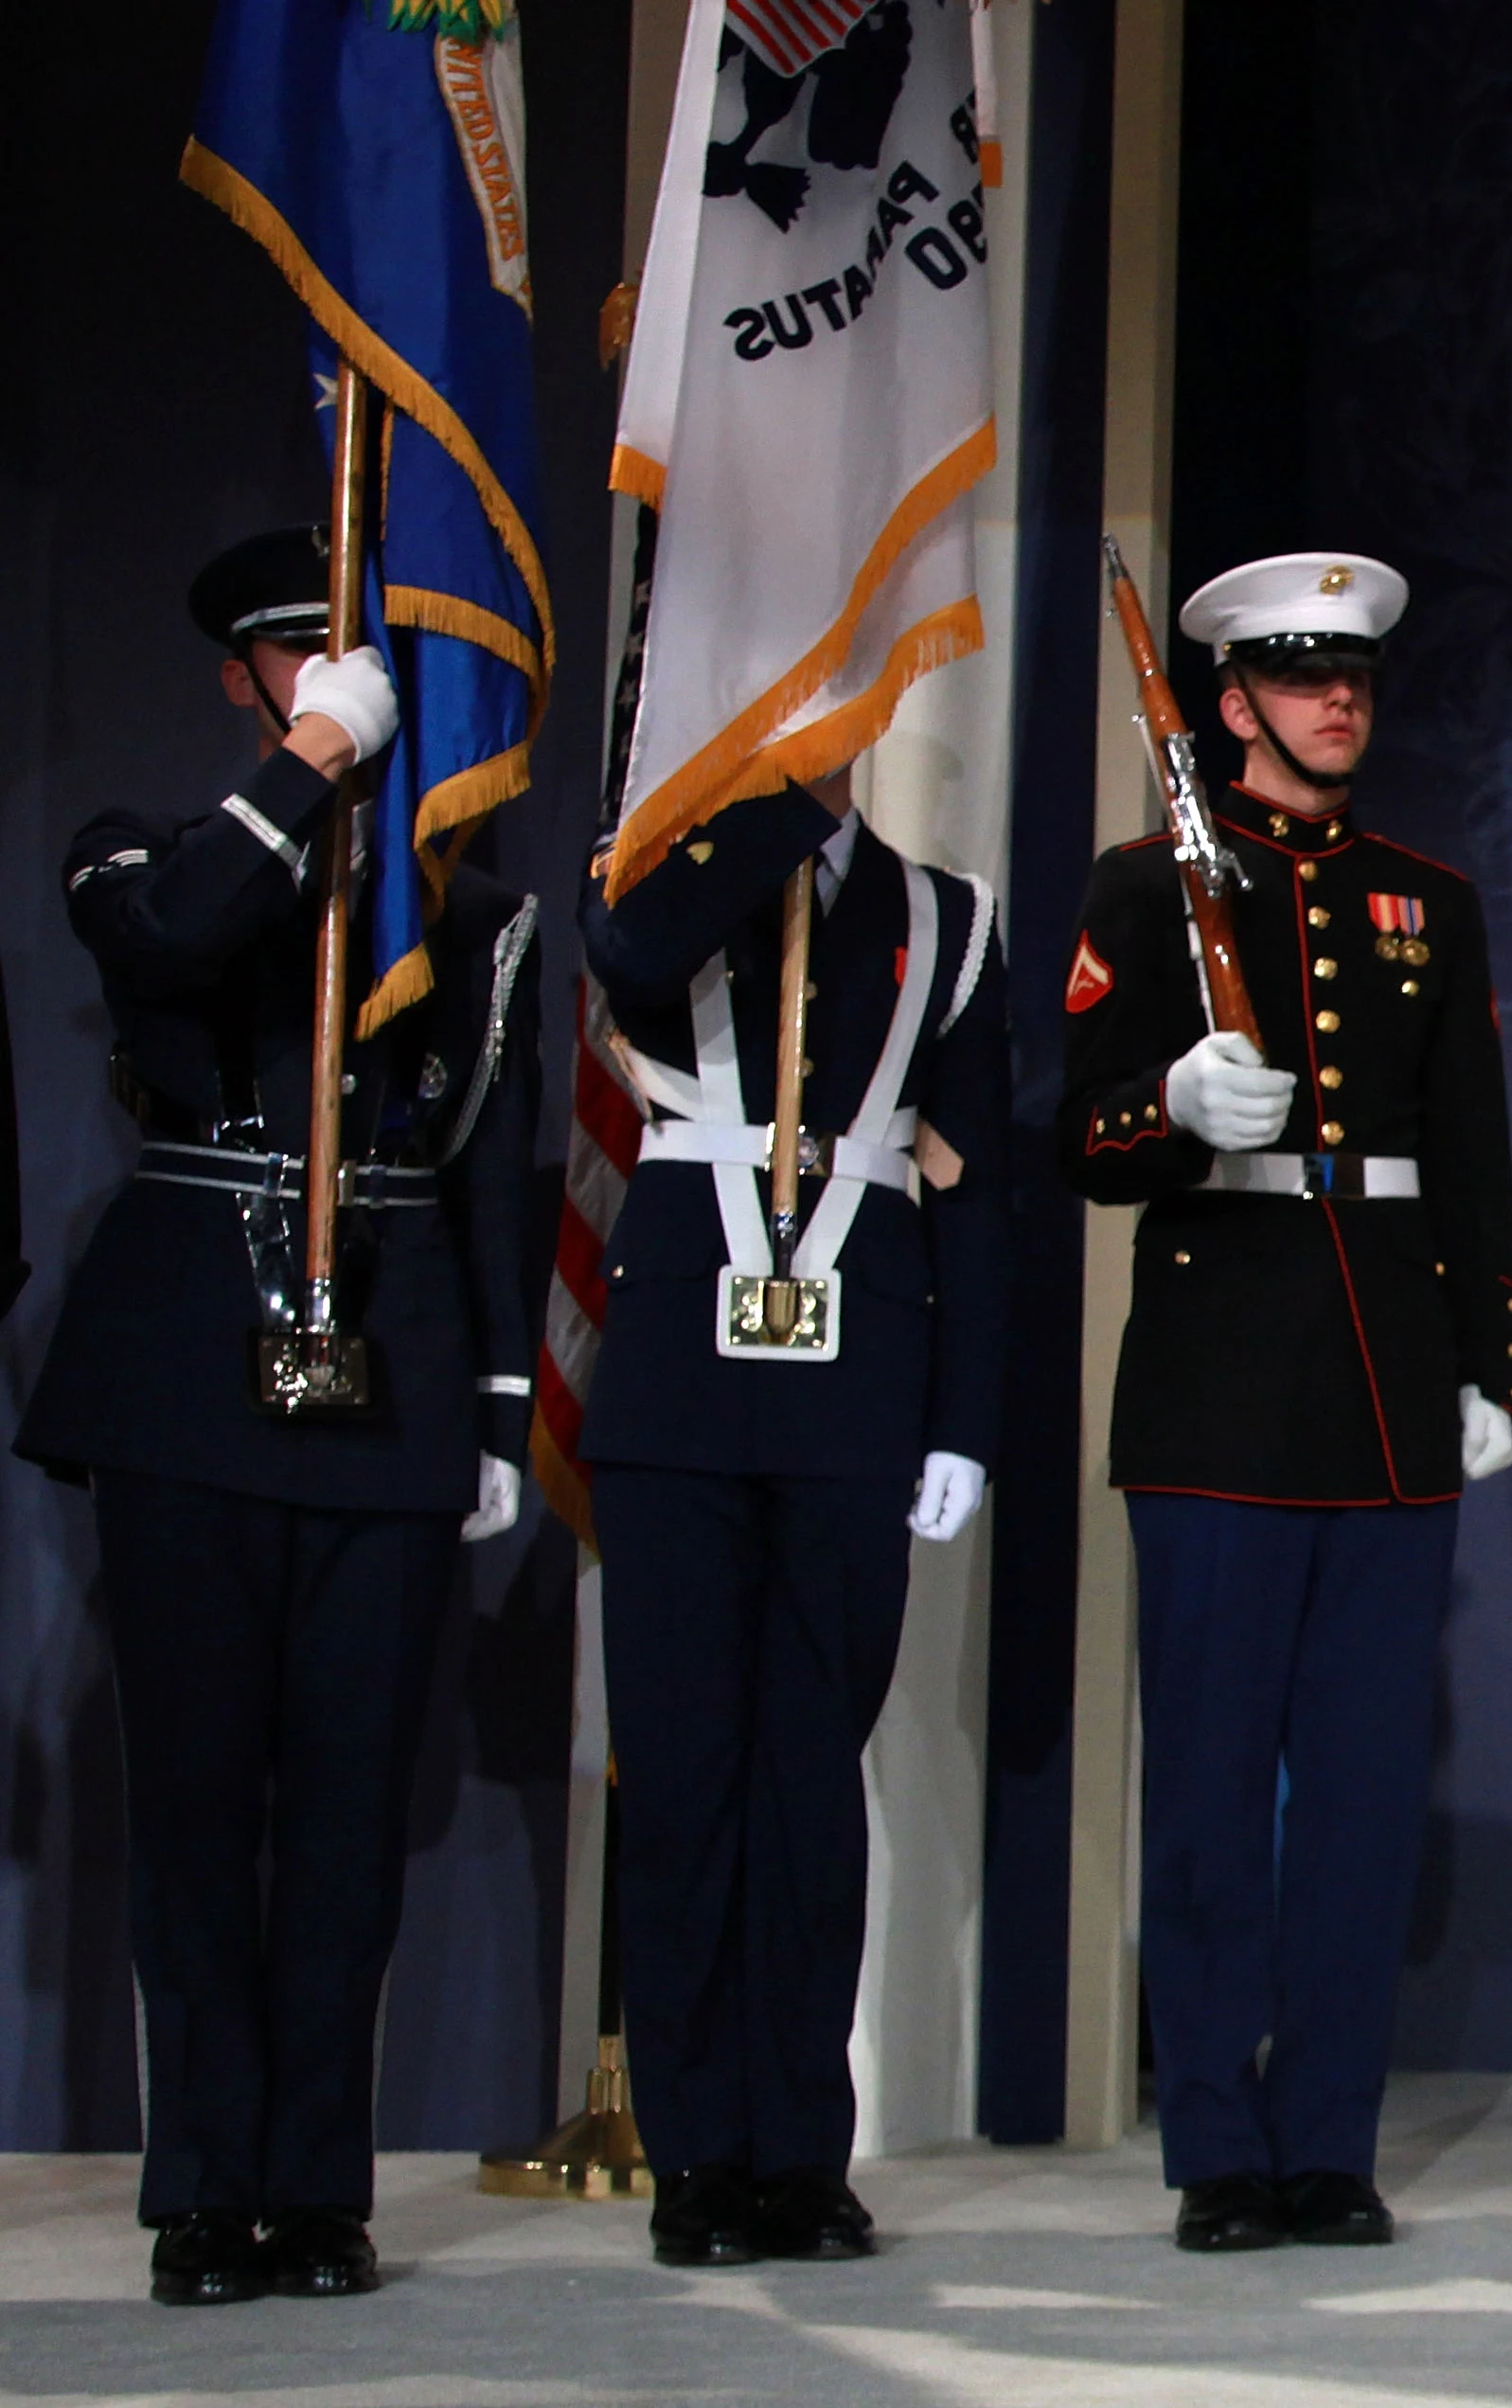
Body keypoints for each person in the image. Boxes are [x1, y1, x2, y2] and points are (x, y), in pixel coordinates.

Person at [14, 527, 539, 2306]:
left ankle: (315, 2185)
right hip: (188, 1382)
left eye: (350, 663)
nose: (326, 681)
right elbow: (176, 942)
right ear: (244, 679)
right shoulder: (134, 853)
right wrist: (311, 772)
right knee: (194, 1802)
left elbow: (483, 1177)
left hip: (383, 1378)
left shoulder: (468, 923)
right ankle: (200, 2185)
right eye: (291, 660)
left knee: (339, 1814)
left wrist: (486, 1409)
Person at [1056, 550, 1512, 2253]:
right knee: (1206, 1793)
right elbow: (1081, 1137)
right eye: (1308, 677)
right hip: (1220, 1392)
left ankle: (1328, 2138)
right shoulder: (1144, 885)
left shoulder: (1425, 895)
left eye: (1360, 677)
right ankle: (1218, 2148)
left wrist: (1489, 1361)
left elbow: (1468, 1150)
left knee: (1357, 1794)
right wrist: (1173, 1102)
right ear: (1230, 703)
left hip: (1391, 1387)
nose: (1344, 702)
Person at [572, 763, 1009, 2268]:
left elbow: (979, 1186)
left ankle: (799, 2155)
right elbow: (628, 964)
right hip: (683, 1381)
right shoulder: (655, 874)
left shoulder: (948, 921)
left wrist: (964, 1418)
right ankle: (696, 2157)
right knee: (687, 1777)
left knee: (814, 1785)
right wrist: (765, 811)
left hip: (855, 1380)